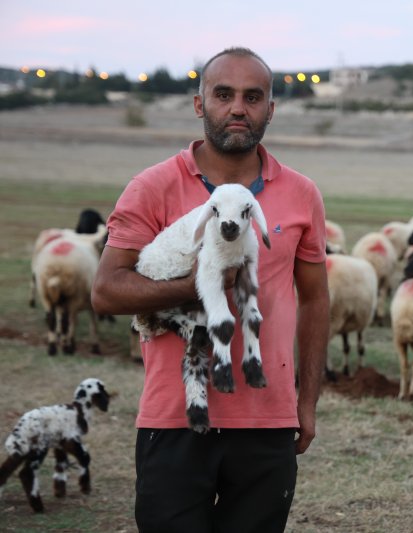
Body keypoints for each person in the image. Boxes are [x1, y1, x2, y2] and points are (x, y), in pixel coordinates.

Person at [91, 47, 329, 532]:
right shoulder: (153, 186)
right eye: (223, 94)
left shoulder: (302, 193)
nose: (238, 108)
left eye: (252, 97)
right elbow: (107, 292)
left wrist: (306, 402)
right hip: (174, 419)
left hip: (268, 423)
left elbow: (316, 299)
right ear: (200, 104)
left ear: (270, 109)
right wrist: (197, 285)